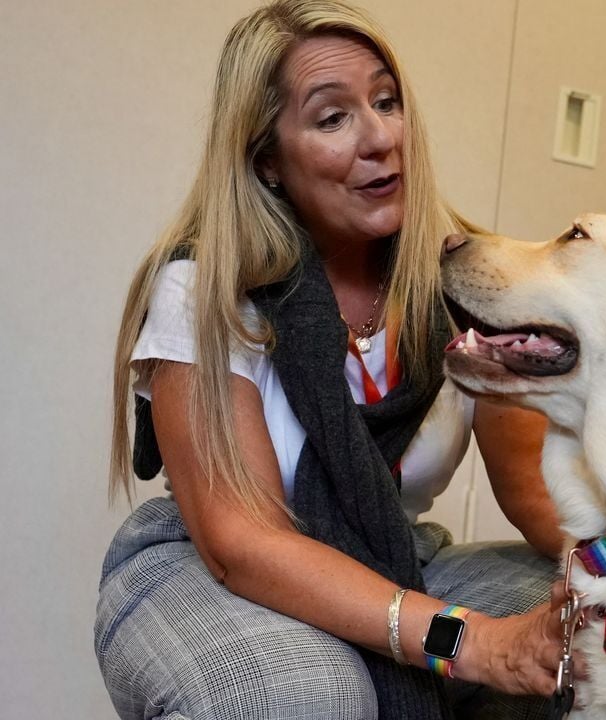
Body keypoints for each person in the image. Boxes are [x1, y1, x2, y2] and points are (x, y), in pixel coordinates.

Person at [94, 2, 567, 718]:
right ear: (268, 162)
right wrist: (471, 641)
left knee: (598, 634)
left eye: (387, 101)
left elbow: (533, 492)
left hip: (392, 552)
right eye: (332, 117)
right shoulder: (204, 285)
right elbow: (242, 543)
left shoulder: (464, 280)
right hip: (210, 564)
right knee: (310, 693)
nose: (382, 138)